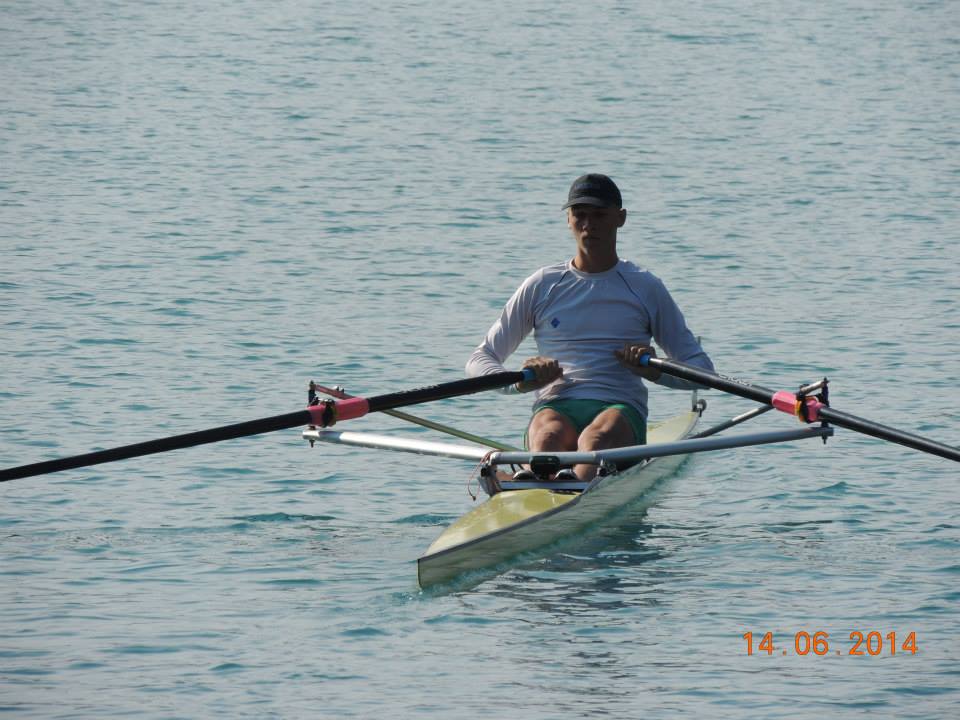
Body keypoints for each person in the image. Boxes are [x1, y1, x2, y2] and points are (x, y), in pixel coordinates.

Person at [465, 173, 714, 480]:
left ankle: (565, 489)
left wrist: (652, 370)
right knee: (547, 439)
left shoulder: (645, 287)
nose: (588, 224)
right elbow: (480, 359)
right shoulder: (541, 285)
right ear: (568, 220)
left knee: (595, 441)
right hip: (556, 404)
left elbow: (702, 370)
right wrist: (519, 383)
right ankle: (548, 484)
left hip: (619, 407)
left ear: (620, 218)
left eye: (599, 215)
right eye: (579, 214)